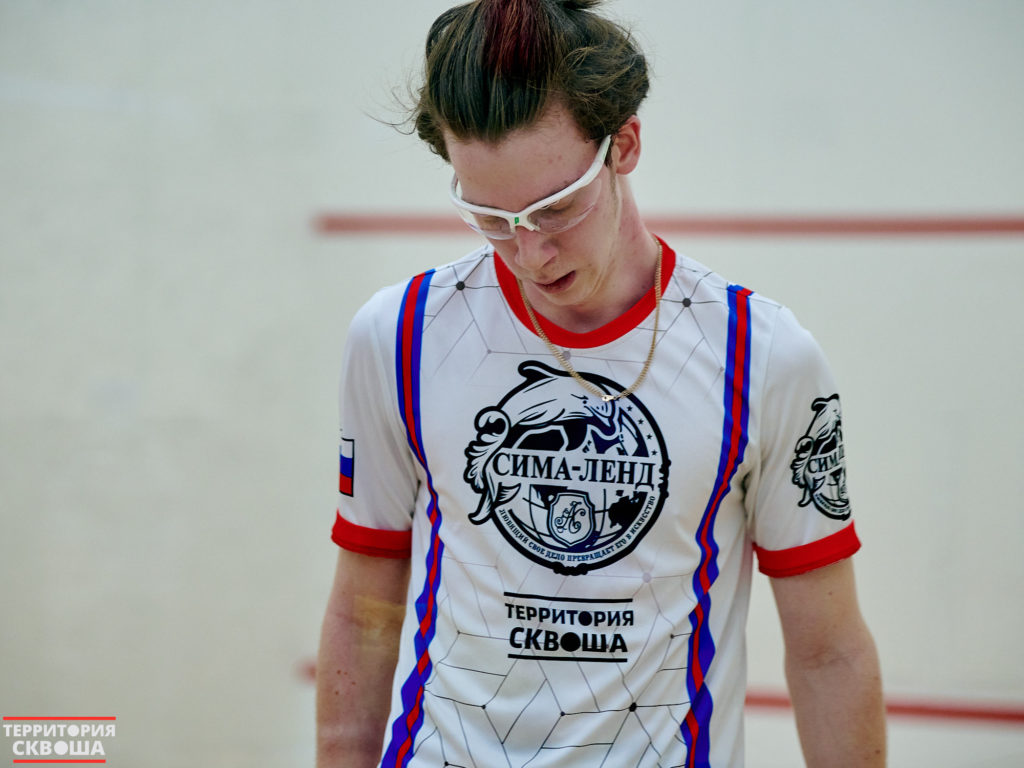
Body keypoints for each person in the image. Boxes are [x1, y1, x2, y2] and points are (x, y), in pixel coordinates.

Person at [316, 0, 886, 765]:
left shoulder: (765, 358)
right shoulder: (399, 336)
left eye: (555, 209)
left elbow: (828, 654)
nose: (530, 253)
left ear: (624, 145)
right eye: (489, 217)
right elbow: (363, 614)